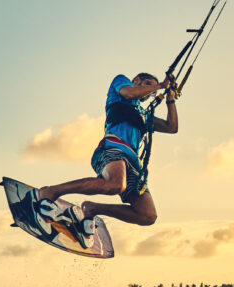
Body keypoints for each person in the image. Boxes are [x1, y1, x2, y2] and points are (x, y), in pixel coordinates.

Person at [33, 72, 178, 246]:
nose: (149, 93)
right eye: (147, 84)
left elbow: (172, 127)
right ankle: (50, 192)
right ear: (137, 81)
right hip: (112, 148)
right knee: (115, 185)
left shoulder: (145, 115)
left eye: (152, 91)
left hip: (134, 164)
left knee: (147, 215)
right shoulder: (121, 84)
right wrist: (161, 85)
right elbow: (129, 93)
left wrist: (170, 98)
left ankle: (92, 209)